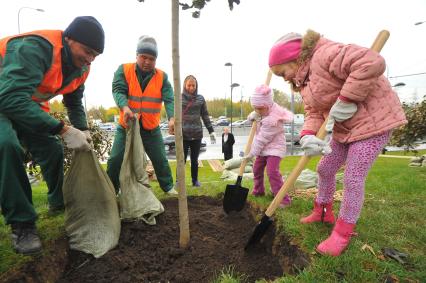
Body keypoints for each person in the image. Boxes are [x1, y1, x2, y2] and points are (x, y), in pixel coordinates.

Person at [268, 30, 407, 256]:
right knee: (325, 168)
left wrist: (347, 98)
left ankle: (343, 232)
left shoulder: (325, 55)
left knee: (353, 177)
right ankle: (323, 211)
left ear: (293, 58)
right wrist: (307, 136)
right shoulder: (304, 82)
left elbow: (371, 62)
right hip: (345, 128)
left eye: (281, 72)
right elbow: (313, 112)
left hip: (373, 124)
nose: (283, 78)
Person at [0, 16, 105, 254]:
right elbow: (9, 98)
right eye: (87, 51)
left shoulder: (82, 68)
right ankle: (23, 225)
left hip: (20, 100)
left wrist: (83, 129)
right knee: (6, 145)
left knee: (51, 149)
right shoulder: (35, 48)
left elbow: (74, 100)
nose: (89, 59)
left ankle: (59, 203)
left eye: (95, 56)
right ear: (69, 39)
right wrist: (63, 129)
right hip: (5, 95)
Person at [107, 35, 177, 195]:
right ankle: (112, 190)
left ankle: (168, 187)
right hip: (127, 126)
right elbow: (118, 90)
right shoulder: (123, 70)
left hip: (151, 129)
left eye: (151, 58)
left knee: (160, 159)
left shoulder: (162, 77)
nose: (147, 62)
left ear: (155, 60)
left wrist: (172, 118)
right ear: (137, 55)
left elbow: (169, 99)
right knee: (115, 159)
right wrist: (125, 108)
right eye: (143, 57)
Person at [245, 85, 293, 206]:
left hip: (275, 149)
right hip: (263, 149)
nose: (257, 111)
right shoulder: (263, 110)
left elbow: (261, 139)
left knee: (272, 172)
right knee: (256, 169)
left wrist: (251, 153)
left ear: (268, 106)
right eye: (255, 108)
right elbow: (255, 114)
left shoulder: (273, 119)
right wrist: (252, 116)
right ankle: (258, 191)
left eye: (259, 109)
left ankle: (283, 199)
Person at [181, 75, 216, 187]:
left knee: (194, 159)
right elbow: (172, 114)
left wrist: (211, 131)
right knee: (181, 160)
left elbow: (205, 115)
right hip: (183, 134)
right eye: (189, 85)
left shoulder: (200, 98)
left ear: (196, 86)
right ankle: (179, 181)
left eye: (193, 85)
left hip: (197, 134)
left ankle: (195, 180)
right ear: (184, 85)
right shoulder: (179, 97)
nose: (191, 87)